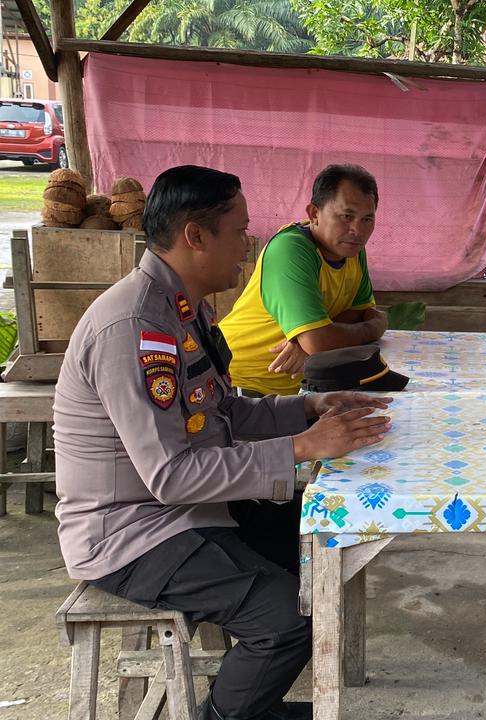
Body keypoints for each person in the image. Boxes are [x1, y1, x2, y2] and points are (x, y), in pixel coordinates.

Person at [53, 165, 393, 720]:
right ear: (196, 236)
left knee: (320, 545)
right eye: (239, 231)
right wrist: (302, 448)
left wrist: (308, 409)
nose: (248, 245)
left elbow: (223, 411)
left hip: (192, 508)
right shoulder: (135, 326)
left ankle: (249, 705)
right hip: (131, 532)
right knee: (288, 618)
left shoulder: (183, 308)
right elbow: (170, 477)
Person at [220, 163, 388, 397]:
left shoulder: (351, 250)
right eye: (346, 216)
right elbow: (321, 342)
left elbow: (359, 314)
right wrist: (372, 328)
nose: (357, 230)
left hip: (300, 387)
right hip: (242, 383)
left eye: (367, 219)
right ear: (314, 214)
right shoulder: (291, 250)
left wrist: (316, 338)